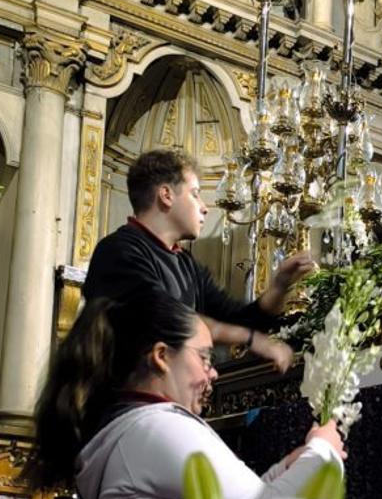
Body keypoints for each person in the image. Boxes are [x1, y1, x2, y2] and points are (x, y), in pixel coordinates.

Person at [28, 291, 344, 499]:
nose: (213, 374)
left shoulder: (141, 427)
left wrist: (287, 467)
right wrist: (323, 450)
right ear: (162, 356)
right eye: (205, 358)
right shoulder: (159, 428)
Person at [83, 148, 311, 373]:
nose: (204, 207)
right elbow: (165, 317)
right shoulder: (117, 251)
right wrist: (251, 339)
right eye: (195, 193)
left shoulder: (185, 262)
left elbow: (236, 319)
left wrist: (280, 286)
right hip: (129, 400)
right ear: (166, 195)